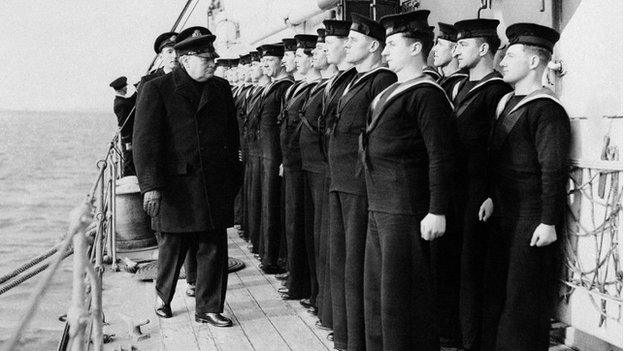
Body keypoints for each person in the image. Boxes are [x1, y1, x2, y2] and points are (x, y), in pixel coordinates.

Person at [133, 33, 242, 327]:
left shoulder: (220, 88)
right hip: (176, 185)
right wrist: (151, 186)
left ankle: (208, 308)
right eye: (207, 60)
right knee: (173, 245)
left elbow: (232, 137)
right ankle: (163, 297)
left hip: (214, 182)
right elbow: (145, 142)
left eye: (214, 59)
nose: (213, 65)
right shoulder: (157, 89)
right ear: (185, 60)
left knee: (214, 246)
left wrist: (234, 176)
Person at [362, 10, 456, 351]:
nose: (384, 52)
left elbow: (441, 156)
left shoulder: (427, 94)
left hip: (405, 209)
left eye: (391, 44)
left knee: (402, 300)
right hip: (381, 205)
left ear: (416, 48)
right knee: (378, 296)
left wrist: (437, 210)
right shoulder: (392, 90)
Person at [480, 23, 569, 351]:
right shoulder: (506, 102)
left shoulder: (548, 109)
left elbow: (553, 169)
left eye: (511, 55)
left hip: (532, 216)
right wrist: (490, 195)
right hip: (504, 210)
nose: (502, 60)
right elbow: (498, 157)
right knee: (499, 291)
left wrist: (548, 221)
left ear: (534, 62)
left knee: (523, 299)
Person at [328, 14, 396, 351]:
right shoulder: (356, 79)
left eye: (353, 41)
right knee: (343, 263)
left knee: (358, 267)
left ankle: (358, 340)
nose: (347, 45)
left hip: (359, 184)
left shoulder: (381, 80)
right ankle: (346, 335)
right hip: (341, 181)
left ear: (373, 46)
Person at [451, 18, 512, 351]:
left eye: (463, 45)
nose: (457, 51)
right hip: (456, 191)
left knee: (475, 269)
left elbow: (499, 146)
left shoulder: (497, 90)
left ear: (484, 48)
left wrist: (490, 193)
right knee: (456, 265)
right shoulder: (461, 86)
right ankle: (459, 333)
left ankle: (475, 341)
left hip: (479, 192)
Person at [315, 19, 356, 341]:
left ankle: (348, 328)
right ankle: (336, 320)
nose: (326, 48)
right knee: (335, 252)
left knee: (348, 258)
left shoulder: (364, 81)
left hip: (356, 182)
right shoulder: (343, 80)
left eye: (332, 42)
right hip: (336, 175)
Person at [297, 27, 336, 319]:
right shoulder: (323, 86)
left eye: (323, 48)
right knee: (315, 236)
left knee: (326, 241)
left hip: (327, 170)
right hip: (313, 167)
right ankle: (316, 293)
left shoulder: (333, 86)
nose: (316, 55)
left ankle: (323, 298)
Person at [278, 34, 320, 302]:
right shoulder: (299, 87)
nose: (286, 60)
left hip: (307, 166)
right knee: (294, 224)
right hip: (293, 163)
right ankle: (297, 279)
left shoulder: (313, 88)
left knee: (304, 226)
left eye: (294, 55)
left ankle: (304, 284)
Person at [256, 43, 293, 274]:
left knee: (274, 205)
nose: (265, 65)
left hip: (276, 154)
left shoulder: (284, 87)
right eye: (263, 62)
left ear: (281, 62)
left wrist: (283, 159)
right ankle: (268, 255)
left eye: (269, 60)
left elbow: (286, 126)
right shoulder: (271, 87)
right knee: (267, 202)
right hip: (266, 153)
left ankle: (276, 257)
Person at [244, 50, 270, 258]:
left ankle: (271, 253)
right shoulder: (255, 91)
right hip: (254, 150)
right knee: (255, 198)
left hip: (269, 154)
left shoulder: (280, 88)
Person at [136, 31, 179, 98]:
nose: (175, 56)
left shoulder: (189, 75)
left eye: (177, 51)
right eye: (169, 52)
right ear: (161, 56)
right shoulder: (148, 81)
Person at [110, 76, 137, 176]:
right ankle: (128, 180)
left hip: (129, 136)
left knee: (130, 159)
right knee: (129, 160)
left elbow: (130, 102)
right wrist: (127, 142)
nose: (127, 88)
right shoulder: (120, 104)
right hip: (128, 138)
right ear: (122, 88)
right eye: (125, 86)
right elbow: (123, 124)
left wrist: (137, 92)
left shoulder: (121, 101)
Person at [433, 22, 468, 98]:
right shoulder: (440, 81)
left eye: (440, 44)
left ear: (455, 49)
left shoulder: (461, 85)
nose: (434, 49)